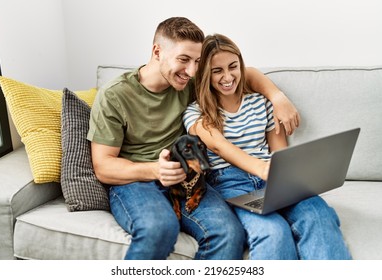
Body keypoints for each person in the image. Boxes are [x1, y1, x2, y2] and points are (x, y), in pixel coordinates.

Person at [87, 17, 300, 260]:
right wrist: (156, 170)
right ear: (157, 51)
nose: (191, 71)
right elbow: (103, 166)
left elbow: (244, 72)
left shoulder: (189, 81)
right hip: (137, 181)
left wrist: (277, 97)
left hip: (189, 181)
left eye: (198, 61)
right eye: (184, 59)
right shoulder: (115, 96)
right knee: (160, 228)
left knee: (229, 233)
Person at [183, 33, 352, 260]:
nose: (227, 76)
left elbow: (279, 151)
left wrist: (285, 174)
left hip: (272, 177)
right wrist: (263, 169)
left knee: (319, 215)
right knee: (273, 231)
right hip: (231, 183)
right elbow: (219, 146)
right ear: (205, 74)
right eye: (217, 71)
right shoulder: (196, 112)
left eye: (233, 67)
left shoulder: (260, 101)